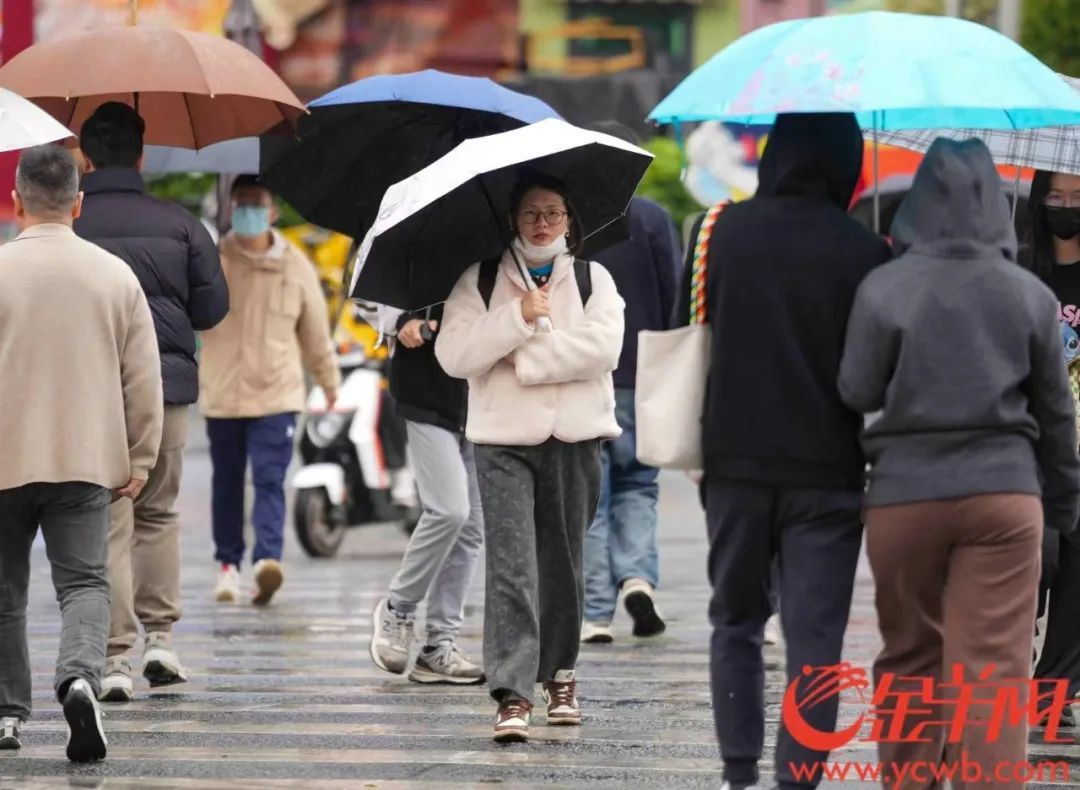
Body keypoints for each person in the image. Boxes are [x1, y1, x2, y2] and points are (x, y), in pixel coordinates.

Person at [839, 138, 1080, 786]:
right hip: (1004, 497)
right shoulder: (1028, 294)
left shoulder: (884, 287)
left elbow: (857, 391)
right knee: (993, 669)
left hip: (904, 495)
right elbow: (1056, 413)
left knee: (911, 657)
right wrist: (1061, 505)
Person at [676, 113, 892, 790]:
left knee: (735, 620)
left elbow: (693, 331)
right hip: (829, 471)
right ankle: (799, 779)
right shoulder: (865, 252)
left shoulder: (720, 231)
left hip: (734, 463)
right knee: (815, 642)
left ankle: (738, 773)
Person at [436, 172, 625, 743]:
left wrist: (529, 354)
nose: (542, 224)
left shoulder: (594, 278)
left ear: (569, 219)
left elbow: (605, 349)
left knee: (563, 563)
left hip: (574, 439)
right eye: (531, 214)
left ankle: (560, 675)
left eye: (553, 213)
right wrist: (516, 316)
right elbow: (454, 353)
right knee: (513, 564)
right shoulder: (483, 278)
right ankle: (512, 692)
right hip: (502, 440)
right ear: (513, 221)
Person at [0, 146, 163, 761]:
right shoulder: (114, 275)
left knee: (4, 592)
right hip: (86, 458)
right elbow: (142, 377)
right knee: (85, 584)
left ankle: (7, 716)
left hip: (4, 458)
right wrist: (141, 456)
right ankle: (77, 680)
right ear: (79, 203)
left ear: (16, 202)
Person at [75, 102, 229, 702]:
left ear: (85, 158)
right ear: (142, 156)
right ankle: (159, 637)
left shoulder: (72, 226)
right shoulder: (181, 223)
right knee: (158, 511)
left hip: (93, 389)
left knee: (107, 517)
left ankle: (113, 657)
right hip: (166, 389)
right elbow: (212, 311)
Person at [199, 175, 340, 606]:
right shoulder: (213, 259)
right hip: (222, 392)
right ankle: (227, 565)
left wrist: (330, 382)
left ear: (272, 212)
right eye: (240, 204)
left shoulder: (296, 264)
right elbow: (193, 315)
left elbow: (315, 330)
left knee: (269, 478)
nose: (247, 212)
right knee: (226, 482)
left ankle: (266, 563)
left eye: (255, 204)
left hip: (277, 393)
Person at [580, 121, 681, 644]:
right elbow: (673, 301)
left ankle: (595, 612)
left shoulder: (572, 223)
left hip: (587, 380)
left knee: (591, 498)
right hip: (645, 379)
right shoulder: (654, 218)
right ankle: (637, 579)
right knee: (640, 486)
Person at [366, 291, 485, 684]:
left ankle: (439, 645)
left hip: (484, 398)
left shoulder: (500, 242)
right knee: (450, 510)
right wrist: (401, 322)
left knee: (470, 531)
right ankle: (398, 608)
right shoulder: (412, 240)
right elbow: (367, 296)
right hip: (426, 391)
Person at [1023, 167, 1080, 729]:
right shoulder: (1019, 271)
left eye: (1077, 198)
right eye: (1056, 196)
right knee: (1040, 558)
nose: (1065, 207)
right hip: (1029, 445)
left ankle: (1055, 693)